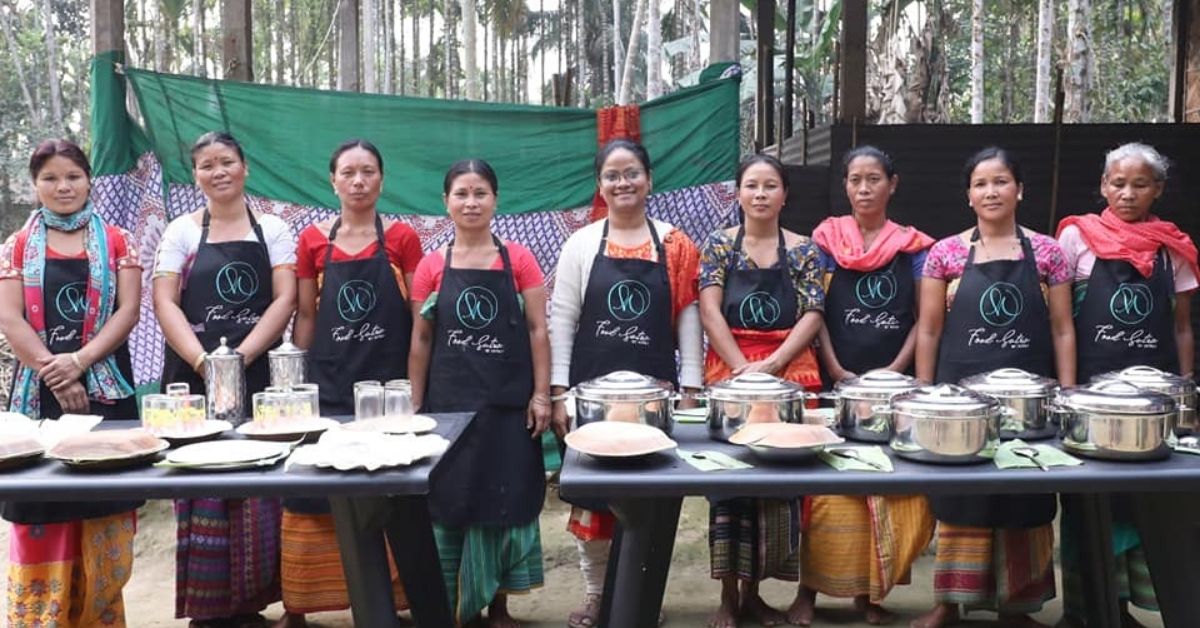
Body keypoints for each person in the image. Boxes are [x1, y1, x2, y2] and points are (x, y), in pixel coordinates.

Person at [913, 147, 1075, 628]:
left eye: (1001, 181)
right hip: (959, 400)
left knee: (1024, 495)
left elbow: (1064, 329)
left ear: (1019, 190)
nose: (991, 191)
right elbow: (928, 330)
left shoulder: (1048, 253)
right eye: (981, 183)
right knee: (960, 496)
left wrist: (1065, 394)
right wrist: (925, 392)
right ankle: (947, 604)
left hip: (1031, 398)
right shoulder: (944, 253)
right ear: (968, 195)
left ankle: (1016, 607)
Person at [549, 139, 703, 628]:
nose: (623, 183)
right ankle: (598, 596)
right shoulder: (581, 244)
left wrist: (692, 386)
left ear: (649, 179)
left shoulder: (676, 243)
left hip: (655, 400)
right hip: (591, 400)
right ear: (601, 186)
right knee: (596, 505)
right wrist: (557, 391)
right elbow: (562, 319)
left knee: (650, 502)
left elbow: (688, 316)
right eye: (613, 175)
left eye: (632, 173)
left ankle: (641, 597)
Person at [153, 131, 295, 628]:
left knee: (260, 485)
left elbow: (285, 298)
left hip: (261, 376)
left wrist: (239, 359)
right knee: (203, 484)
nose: (219, 171)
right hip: (193, 378)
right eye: (207, 164)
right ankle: (210, 611)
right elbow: (164, 301)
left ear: (245, 167)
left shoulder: (274, 229)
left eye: (227, 161)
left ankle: (255, 606)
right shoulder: (181, 232)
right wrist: (204, 363)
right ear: (196, 174)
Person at [0, 139, 142, 627]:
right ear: (34, 185)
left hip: (108, 393)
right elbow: (9, 318)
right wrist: (56, 373)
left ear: (88, 180)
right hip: (37, 400)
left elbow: (128, 311)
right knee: (44, 513)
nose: (63, 187)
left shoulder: (120, 240)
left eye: (73, 176)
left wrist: (79, 361)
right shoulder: (15, 247)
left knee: (105, 513)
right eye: (50, 178)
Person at [1055, 142, 1198, 626]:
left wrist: (1184, 389)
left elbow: (1181, 325)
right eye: (1118, 183)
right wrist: (1068, 389)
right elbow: (1063, 324)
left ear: (1157, 189)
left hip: (1151, 401)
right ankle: (1088, 608)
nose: (1128, 194)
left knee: (1142, 502)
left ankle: (1129, 608)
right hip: (1092, 395)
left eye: (1140, 184)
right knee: (1087, 502)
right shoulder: (1077, 239)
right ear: (1103, 186)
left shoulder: (1171, 248)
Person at [279, 139, 420, 626]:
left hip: (389, 386)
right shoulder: (312, 240)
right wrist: (296, 382)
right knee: (316, 488)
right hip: (330, 382)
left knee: (389, 485)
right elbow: (306, 315)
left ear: (382, 179)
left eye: (368, 172)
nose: (358, 182)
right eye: (348, 173)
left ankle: (394, 601)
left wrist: (418, 385)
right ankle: (299, 606)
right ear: (332, 180)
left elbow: (420, 317)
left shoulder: (402, 237)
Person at [794, 146, 935, 625]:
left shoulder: (914, 248)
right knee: (827, 492)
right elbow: (816, 313)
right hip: (836, 381)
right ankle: (808, 592)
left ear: (892, 185)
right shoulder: (825, 242)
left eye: (874, 179)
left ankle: (869, 594)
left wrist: (896, 370)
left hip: (895, 387)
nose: (863, 189)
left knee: (887, 490)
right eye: (855, 180)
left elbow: (923, 317)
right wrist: (834, 369)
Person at [409, 159, 551, 627]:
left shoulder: (520, 260)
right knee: (452, 501)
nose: (471, 202)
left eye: (481, 193)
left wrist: (542, 396)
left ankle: (500, 605)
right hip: (449, 408)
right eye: (461, 194)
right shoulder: (432, 265)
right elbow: (422, 339)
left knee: (506, 501)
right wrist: (414, 405)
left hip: (509, 405)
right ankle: (452, 604)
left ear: (495, 199)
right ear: (445, 202)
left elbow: (536, 331)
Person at [697, 153, 824, 628]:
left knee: (778, 489)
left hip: (791, 373)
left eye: (770, 186)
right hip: (730, 374)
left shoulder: (805, 249)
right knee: (729, 486)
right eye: (752, 185)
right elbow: (710, 309)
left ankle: (755, 594)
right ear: (738, 193)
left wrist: (772, 365)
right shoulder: (719, 245)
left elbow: (813, 311)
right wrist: (742, 369)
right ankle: (728, 596)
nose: (761, 194)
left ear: (785, 194)